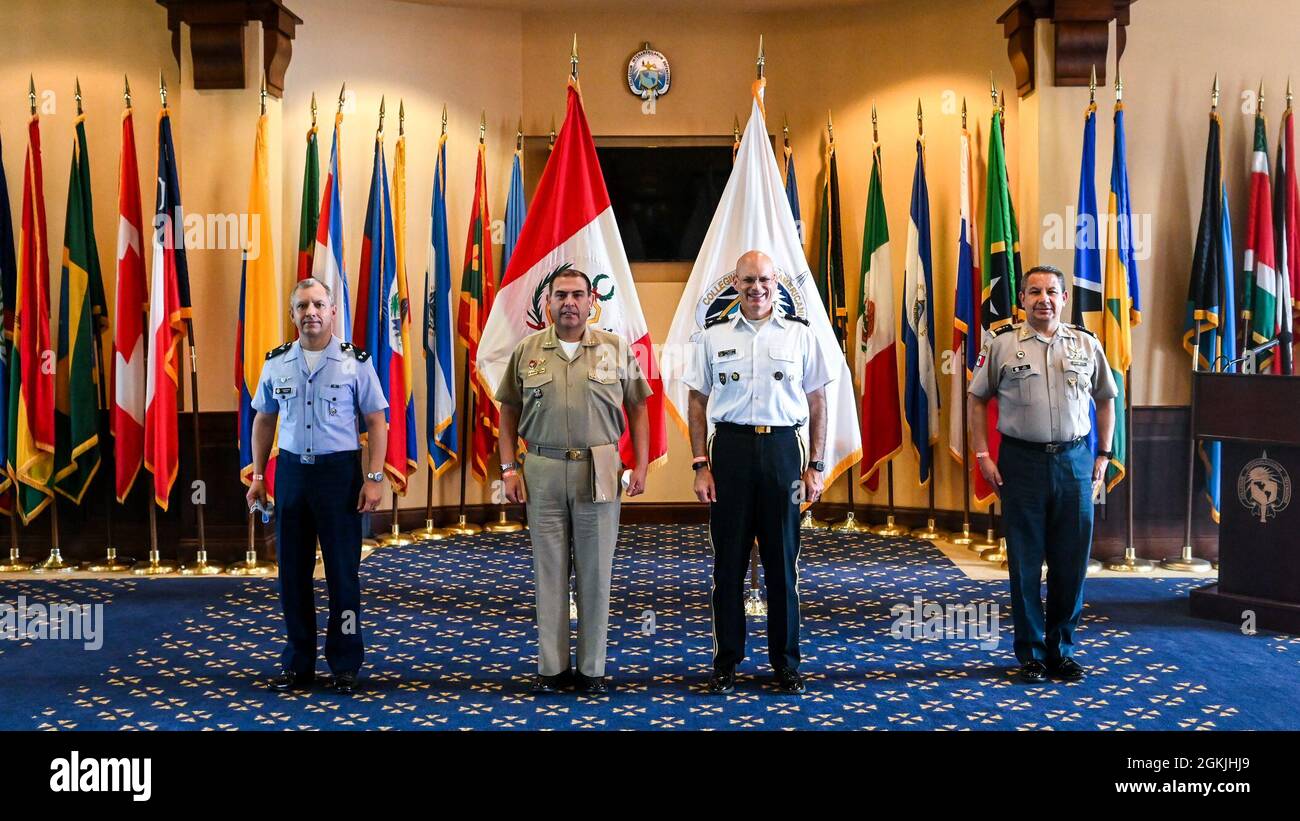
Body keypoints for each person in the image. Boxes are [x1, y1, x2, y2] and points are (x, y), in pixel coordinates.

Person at [496, 264, 651, 695]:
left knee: (595, 571)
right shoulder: (527, 351)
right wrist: (509, 468)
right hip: (541, 469)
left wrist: (638, 465)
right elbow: (508, 411)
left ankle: (592, 670)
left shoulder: (616, 349)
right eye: (561, 295)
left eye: (577, 295)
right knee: (548, 571)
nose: (569, 302)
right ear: (548, 303)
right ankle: (551, 668)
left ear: (591, 303)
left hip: (600, 468)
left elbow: (638, 407)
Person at [685, 250, 834, 695]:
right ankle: (726, 662)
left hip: (784, 450)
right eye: (747, 280)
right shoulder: (712, 337)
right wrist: (700, 465)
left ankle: (786, 663)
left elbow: (818, 402)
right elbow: (696, 402)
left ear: (777, 284)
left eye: (764, 280)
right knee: (727, 566)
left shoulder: (800, 336)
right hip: (729, 450)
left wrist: (816, 466)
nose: (756, 288)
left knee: (782, 563)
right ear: (735, 284)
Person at [968, 264, 1117, 684]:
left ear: (1064, 298)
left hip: (1075, 463)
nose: (1043, 299)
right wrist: (983, 454)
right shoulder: (1000, 345)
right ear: (1022, 300)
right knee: (1025, 562)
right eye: (1034, 291)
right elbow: (977, 399)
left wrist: (1104, 455)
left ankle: (1062, 651)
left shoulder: (1086, 344)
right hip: (1021, 463)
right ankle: (1031, 653)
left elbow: (1106, 399)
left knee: (1071, 563)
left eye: (1052, 291)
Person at [247, 277, 389, 696]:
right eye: (302, 306)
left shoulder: (355, 362)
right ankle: (299, 663)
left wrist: (374, 477)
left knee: (343, 575)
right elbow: (264, 420)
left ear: (332, 311)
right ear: (292, 315)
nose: (311, 312)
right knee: (291, 574)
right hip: (291, 475)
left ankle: (345, 663)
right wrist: (257, 476)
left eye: (318, 304)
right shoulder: (276, 363)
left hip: (338, 478)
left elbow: (377, 421)